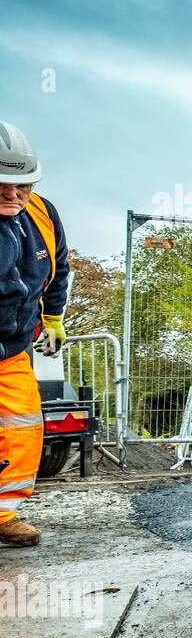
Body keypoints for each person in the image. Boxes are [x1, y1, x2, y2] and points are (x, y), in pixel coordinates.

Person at [0, 121, 69, 547]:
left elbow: (57, 268)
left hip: (12, 348)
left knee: (23, 426)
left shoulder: (42, 214)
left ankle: (3, 512)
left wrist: (55, 316)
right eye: (3, 184)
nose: (13, 194)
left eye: (22, 185)